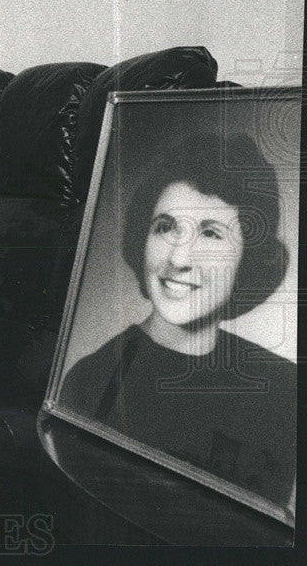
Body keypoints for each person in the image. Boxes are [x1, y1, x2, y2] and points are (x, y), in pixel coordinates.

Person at [59, 132, 295, 507]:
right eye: (166, 227)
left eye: (211, 233)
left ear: (247, 260)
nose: (179, 258)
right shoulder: (91, 384)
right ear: (143, 237)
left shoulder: (287, 387)